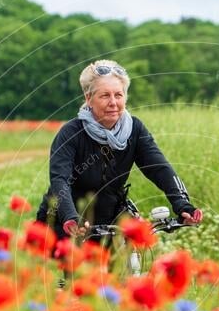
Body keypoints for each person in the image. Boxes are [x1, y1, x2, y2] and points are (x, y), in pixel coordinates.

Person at [35, 59, 203, 243]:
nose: (113, 102)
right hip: (66, 218)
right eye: (105, 95)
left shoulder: (135, 129)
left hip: (110, 216)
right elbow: (60, 180)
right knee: (79, 270)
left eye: (119, 95)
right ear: (88, 98)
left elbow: (159, 168)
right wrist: (69, 216)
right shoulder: (71, 133)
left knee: (128, 262)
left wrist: (182, 204)